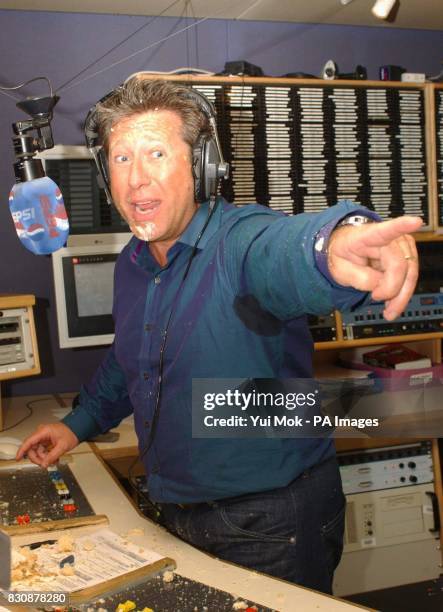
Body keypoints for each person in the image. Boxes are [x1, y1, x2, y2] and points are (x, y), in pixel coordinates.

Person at [17, 77, 421, 594]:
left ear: (203, 167)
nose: (136, 179)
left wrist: (333, 247)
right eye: (121, 159)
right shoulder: (133, 265)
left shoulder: (241, 242)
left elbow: (285, 251)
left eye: (157, 153)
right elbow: (130, 361)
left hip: (271, 520)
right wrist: (76, 425)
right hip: (177, 510)